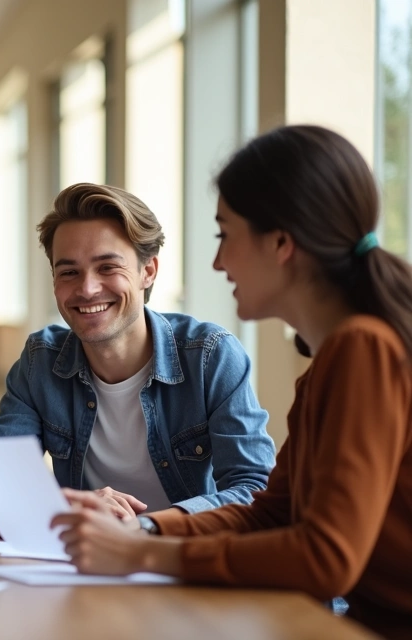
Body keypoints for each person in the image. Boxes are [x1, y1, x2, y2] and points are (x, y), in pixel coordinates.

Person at [54, 125, 412, 639]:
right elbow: (271, 512)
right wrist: (146, 527)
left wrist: (144, 553)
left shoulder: (364, 348)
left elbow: (326, 557)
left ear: (282, 243)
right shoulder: (330, 362)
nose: (218, 262)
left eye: (225, 235)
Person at [0, 183, 276, 535]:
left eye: (107, 268)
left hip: (184, 563)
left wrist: (146, 528)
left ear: (148, 271)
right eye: (69, 272)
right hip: (86, 568)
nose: (87, 289)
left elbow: (254, 491)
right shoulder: (41, 361)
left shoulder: (210, 356)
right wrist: (61, 510)